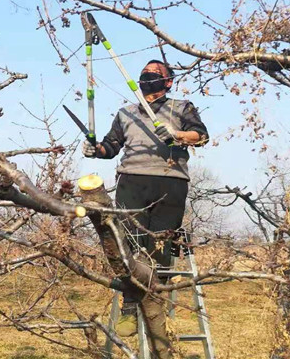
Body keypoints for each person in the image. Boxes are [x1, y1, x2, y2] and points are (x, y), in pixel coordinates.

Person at [82, 59, 209, 336]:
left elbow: (201, 136)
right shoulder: (126, 113)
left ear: (168, 81)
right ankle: (129, 307)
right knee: (128, 243)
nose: (147, 75)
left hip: (171, 181)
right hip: (132, 180)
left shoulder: (181, 107)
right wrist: (95, 149)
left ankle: (156, 303)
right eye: (145, 72)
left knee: (161, 244)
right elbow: (110, 147)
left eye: (155, 73)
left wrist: (177, 136)